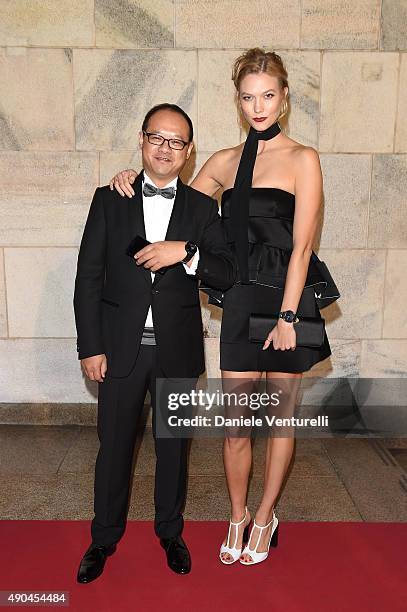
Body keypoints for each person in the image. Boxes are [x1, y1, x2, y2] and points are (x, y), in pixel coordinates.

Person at [110, 48, 340, 566]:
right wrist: (132, 180)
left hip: (289, 302)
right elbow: (174, 209)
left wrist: (287, 318)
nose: (257, 106)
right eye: (247, 97)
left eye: (267, 95)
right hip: (239, 300)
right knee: (237, 425)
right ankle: (236, 514)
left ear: (284, 99)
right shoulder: (224, 162)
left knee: (280, 421)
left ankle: (265, 516)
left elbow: (302, 246)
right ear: (238, 101)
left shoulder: (303, 158)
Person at [74, 103, 236, 583]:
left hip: (178, 350)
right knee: (114, 449)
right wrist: (90, 346)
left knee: (173, 447)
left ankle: (170, 532)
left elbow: (226, 271)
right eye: (157, 138)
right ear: (143, 141)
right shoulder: (110, 198)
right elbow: (88, 277)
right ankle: (103, 539)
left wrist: (185, 252)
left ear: (189, 153)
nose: (166, 148)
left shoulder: (205, 210)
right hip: (119, 350)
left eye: (177, 142)